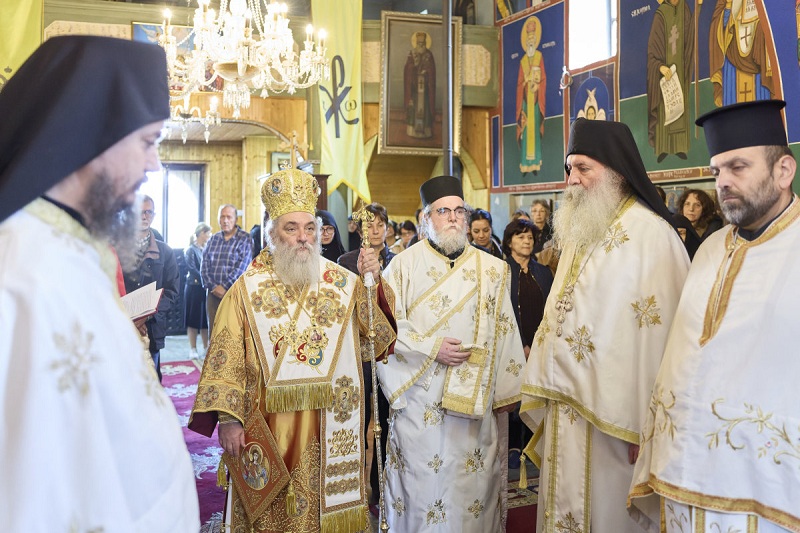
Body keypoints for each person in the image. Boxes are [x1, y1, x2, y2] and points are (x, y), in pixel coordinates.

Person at [0, 35, 198, 530]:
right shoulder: (21, 269)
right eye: (148, 142)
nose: (154, 165)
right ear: (94, 134)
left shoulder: (69, 246)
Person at [189, 169, 396, 533]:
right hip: (270, 428)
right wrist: (229, 420)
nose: (303, 238)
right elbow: (225, 356)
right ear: (273, 234)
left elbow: (377, 338)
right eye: (292, 229)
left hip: (330, 425)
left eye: (309, 228)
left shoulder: (342, 282)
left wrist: (372, 282)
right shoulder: (245, 290)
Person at [629, 99, 800, 532]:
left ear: (784, 171)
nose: (722, 182)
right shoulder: (709, 249)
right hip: (684, 471)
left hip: (768, 489)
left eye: (738, 167)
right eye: (717, 170)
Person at [520, 118, 690, 533]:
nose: (572, 180)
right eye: (569, 169)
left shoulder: (653, 236)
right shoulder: (581, 229)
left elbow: (668, 341)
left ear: (615, 170)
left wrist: (649, 427)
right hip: (567, 406)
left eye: (584, 168)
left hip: (619, 424)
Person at [378, 175, 524, 532]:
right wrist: (431, 349)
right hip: (419, 400)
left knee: (470, 488)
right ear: (427, 217)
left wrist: (508, 390)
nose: (454, 218)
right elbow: (385, 331)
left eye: (460, 210)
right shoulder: (401, 266)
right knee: (420, 486)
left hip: (474, 406)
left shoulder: (493, 269)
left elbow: (505, 327)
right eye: (444, 211)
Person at [336, 202, 395, 516]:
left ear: (386, 227)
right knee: (357, 418)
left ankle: (381, 481)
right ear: (358, 229)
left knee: (385, 417)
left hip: (387, 353)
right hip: (355, 352)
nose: (373, 229)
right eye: (367, 224)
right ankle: (355, 483)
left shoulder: (399, 261)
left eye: (379, 224)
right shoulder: (345, 261)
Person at [502, 218, 553, 470]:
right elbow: (504, 312)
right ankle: (513, 446)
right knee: (514, 393)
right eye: (521, 236)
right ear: (509, 241)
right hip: (514, 344)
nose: (527, 241)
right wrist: (520, 344)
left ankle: (533, 443)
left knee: (536, 393)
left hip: (540, 344)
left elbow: (552, 310)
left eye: (530, 237)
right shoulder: (502, 271)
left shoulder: (543, 272)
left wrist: (540, 344)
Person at [122, 194, 180, 382]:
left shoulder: (165, 252)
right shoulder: (118, 249)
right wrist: (130, 318)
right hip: (122, 325)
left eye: (148, 212)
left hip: (151, 328)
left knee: (151, 381)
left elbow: (172, 291)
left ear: (154, 215)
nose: (144, 216)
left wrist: (145, 316)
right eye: (139, 212)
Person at [647, 0, 694, 163]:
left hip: (681, 70)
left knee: (680, 106)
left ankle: (680, 147)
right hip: (664, 75)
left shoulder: (684, 10)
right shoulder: (661, 13)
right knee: (664, 109)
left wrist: (699, 9)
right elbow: (652, 50)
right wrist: (660, 67)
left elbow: (691, 36)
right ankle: (663, 148)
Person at [709, 0, 776, 106]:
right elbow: (719, 22)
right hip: (732, 58)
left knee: (760, 110)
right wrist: (728, 7)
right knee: (733, 113)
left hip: (758, 56)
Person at [201, 204, 253, 333]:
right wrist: (213, 287)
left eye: (229, 217)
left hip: (233, 293)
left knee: (233, 332)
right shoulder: (213, 239)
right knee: (214, 332)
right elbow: (204, 265)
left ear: (236, 219)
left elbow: (242, 267)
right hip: (212, 295)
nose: (225, 220)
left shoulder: (245, 238)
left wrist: (224, 287)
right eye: (222, 217)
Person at [516, 15, 546, 175]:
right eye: (529, 39)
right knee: (526, 130)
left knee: (534, 132)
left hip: (535, 101)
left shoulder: (539, 57)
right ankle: (525, 164)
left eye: (533, 39)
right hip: (525, 102)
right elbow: (519, 83)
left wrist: (537, 84)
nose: (531, 42)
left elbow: (544, 78)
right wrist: (525, 82)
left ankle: (535, 164)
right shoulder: (522, 61)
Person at [185, 222, 212, 358]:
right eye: (208, 233)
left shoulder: (206, 249)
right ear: (201, 233)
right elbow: (192, 269)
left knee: (204, 320)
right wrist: (206, 278)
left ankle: (206, 347)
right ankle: (193, 348)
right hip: (194, 288)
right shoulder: (190, 250)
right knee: (193, 319)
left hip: (204, 288)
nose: (209, 236)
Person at [404, 30, 436, 139]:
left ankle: (426, 131)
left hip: (425, 88)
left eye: (423, 43)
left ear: (426, 43)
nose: (421, 45)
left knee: (425, 108)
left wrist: (426, 72)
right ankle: (412, 131)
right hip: (414, 88)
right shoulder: (412, 53)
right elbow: (407, 69)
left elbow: (432, 70)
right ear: (416, 43)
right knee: (414, 108)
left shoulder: (429, 55)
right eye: (419, 43)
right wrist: (413, 68)